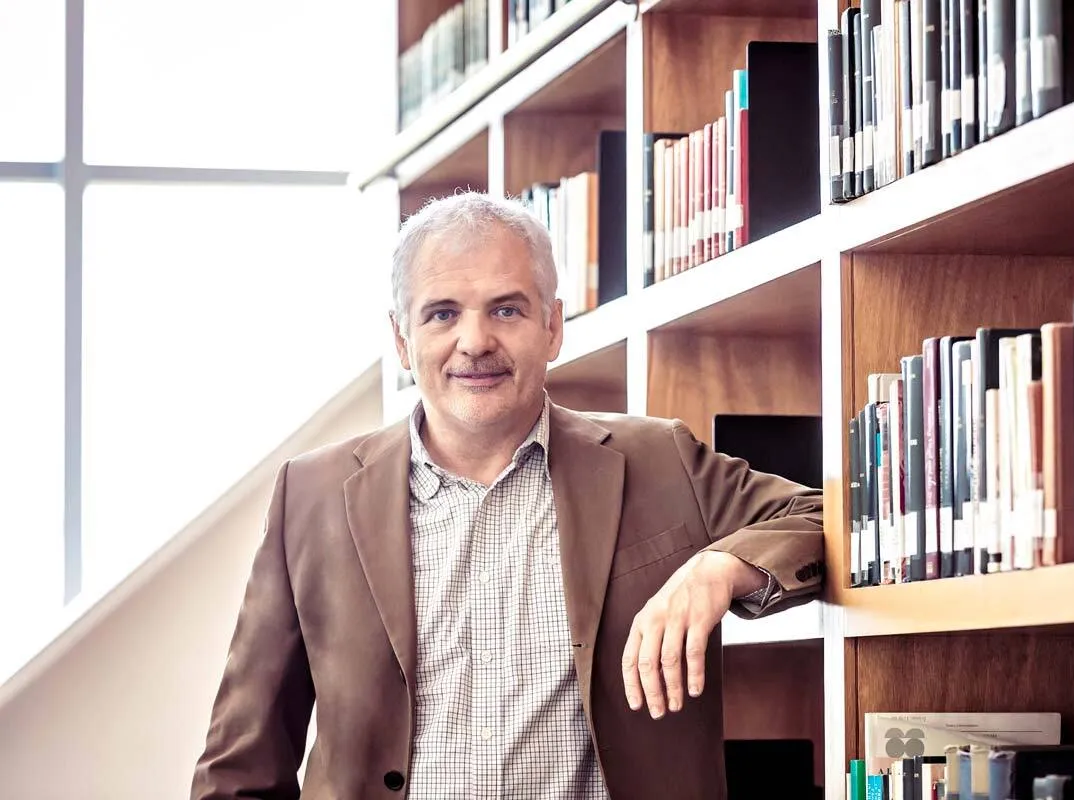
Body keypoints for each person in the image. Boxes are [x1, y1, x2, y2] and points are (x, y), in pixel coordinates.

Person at [190, 191, 824, 800]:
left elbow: (821, 516)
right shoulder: (312, 495)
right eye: (442, 313)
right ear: (402, 341)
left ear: (552, 327)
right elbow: (241, 768)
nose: (474, 342)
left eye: (506, 309)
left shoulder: (660, 461)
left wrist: (719, 569)